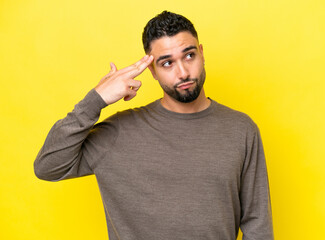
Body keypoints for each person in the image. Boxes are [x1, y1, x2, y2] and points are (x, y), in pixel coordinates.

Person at [34, 10, 274, 240]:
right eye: (167, 63)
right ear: (152, 70)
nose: (182, 73)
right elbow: (47, 166)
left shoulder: (241, 130)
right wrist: (96, 100)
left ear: (201, 53)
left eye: (189, 55)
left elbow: (257, 224)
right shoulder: (119, 133)